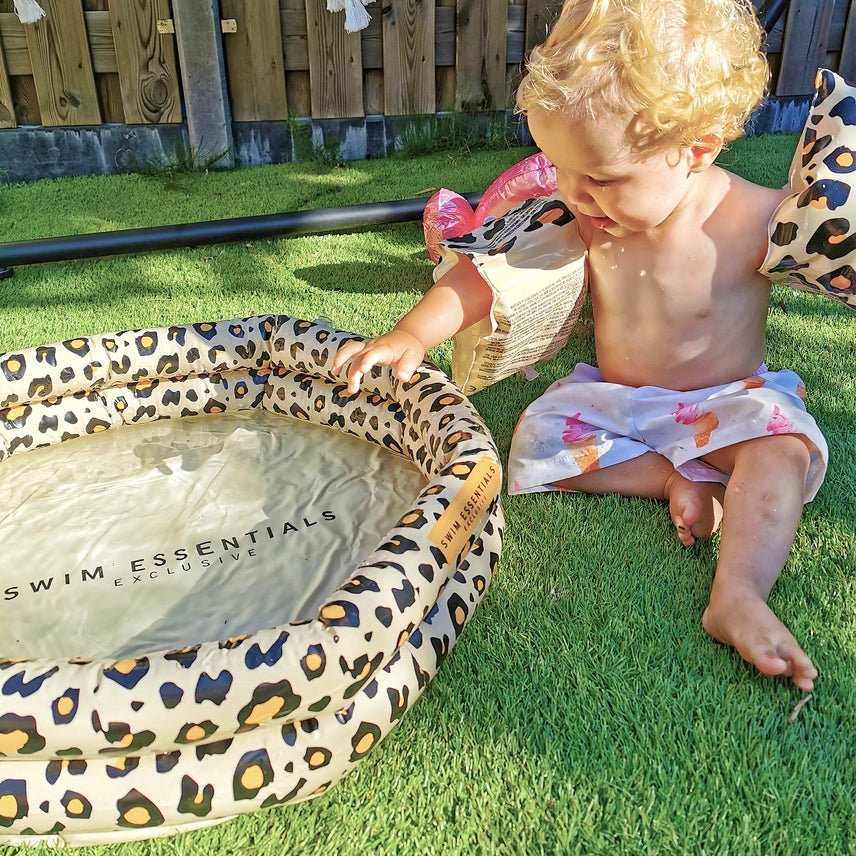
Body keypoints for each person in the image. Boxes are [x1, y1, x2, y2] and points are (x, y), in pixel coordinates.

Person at [332, 0, 828, 691]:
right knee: (534, 439)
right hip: (616, 400)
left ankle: (738, 593)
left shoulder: (753, 217)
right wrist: (413, 333)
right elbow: (489, 277)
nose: (575, 192)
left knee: (782, 447)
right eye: (562, 168)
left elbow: (830, 249)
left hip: (727, 406)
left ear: (698, 148)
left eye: (602, 177)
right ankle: (669, 478)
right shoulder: (584, 218)